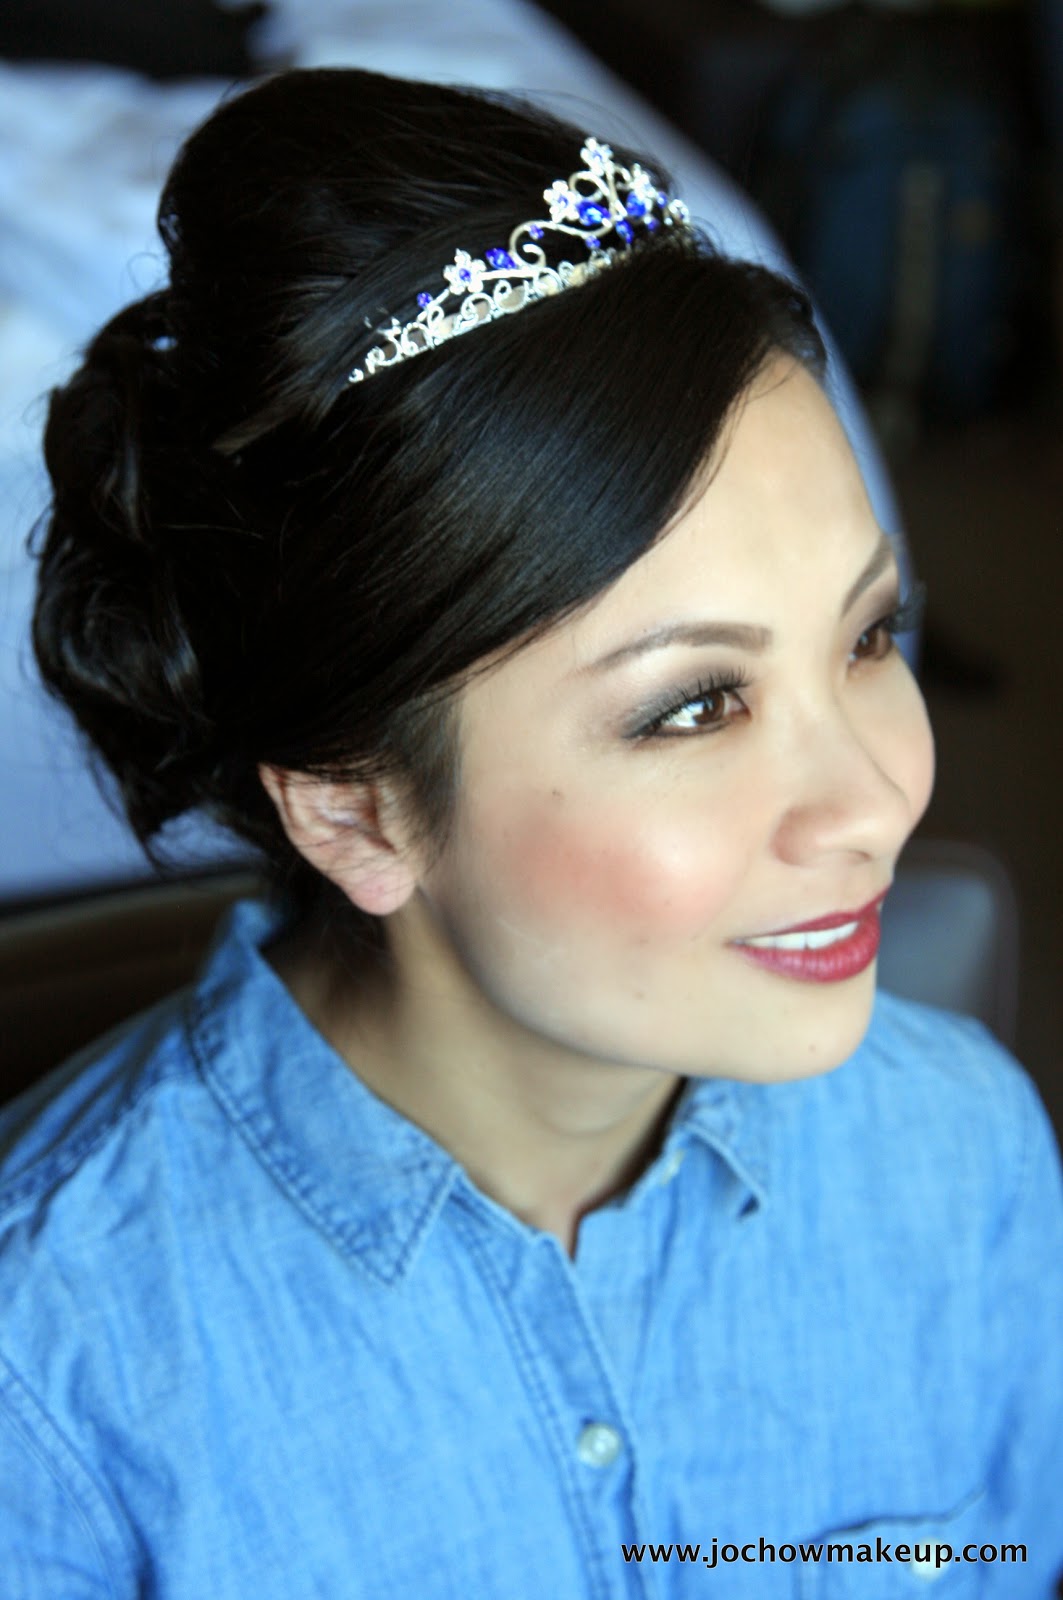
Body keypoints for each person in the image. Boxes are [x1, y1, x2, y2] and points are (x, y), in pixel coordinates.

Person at [1, 66, 1061, 1598]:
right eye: (694, 707)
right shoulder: (53, 1382)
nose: (874, 801)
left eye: (869, 636)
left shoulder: (962, 1157)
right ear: (358, 810)